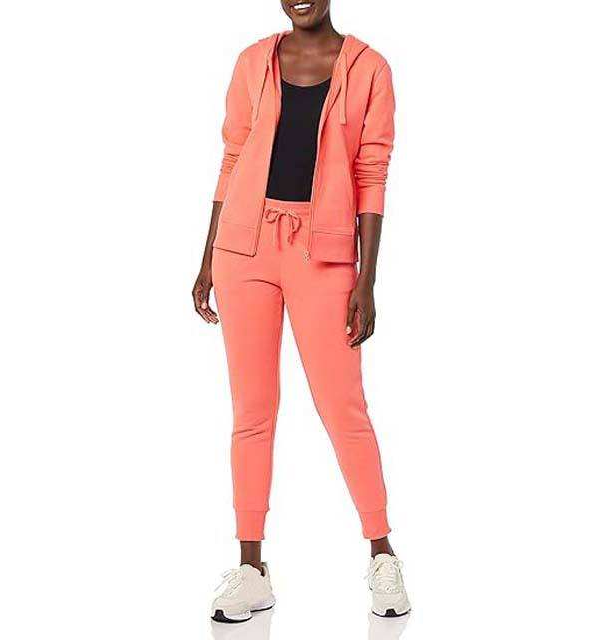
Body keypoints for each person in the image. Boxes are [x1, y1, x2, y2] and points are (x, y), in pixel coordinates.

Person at [192, 0, 410, 623]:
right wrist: (207, 257)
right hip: (244, 249)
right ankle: (250, 567)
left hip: (325, 251)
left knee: (343, 407)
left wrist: (367, 278)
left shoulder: (369, 67)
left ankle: (383, 553)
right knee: (252, 411)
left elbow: (372, 172)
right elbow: (232, 158)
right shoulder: (252, 62)